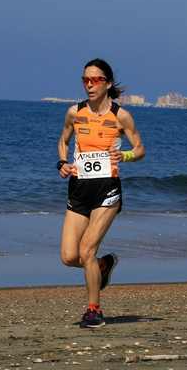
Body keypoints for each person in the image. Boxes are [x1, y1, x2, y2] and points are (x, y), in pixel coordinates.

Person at [57, 58, 145, 327]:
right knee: (70, 257)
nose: (89, 85)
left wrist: (126, 155)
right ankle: (103, 266)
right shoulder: (75, 112)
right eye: (85, 80)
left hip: (107, 190)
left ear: (106, 83)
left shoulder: (121, 116)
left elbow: (140, 148)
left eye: (95, 80)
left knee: (86, 250)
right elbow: (63, 140)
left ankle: (94, 310)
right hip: (79, 188)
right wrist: (62, 163)